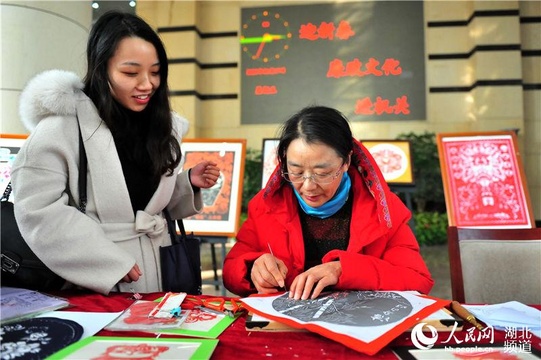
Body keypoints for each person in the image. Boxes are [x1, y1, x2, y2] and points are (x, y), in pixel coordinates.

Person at [11, 11, 220, 295]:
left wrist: (186, 183)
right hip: (96, 285)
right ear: (101, 69)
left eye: (155, 72)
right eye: (130, 73)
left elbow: (145, 203)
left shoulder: (161, 127)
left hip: (161, 277)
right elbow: (38, 210)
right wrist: (107, 262)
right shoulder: (60, 128)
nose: (147, 84)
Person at [223, 105, 434, 300]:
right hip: (288, 329)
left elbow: (417, 279)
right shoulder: (267, 206)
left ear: (346, 162)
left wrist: (344, 270)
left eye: (322, 173)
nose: (308, 186)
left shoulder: (382, 211)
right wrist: (253, 269)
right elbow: (231, 269)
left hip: (356, 330)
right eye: (295, 172)